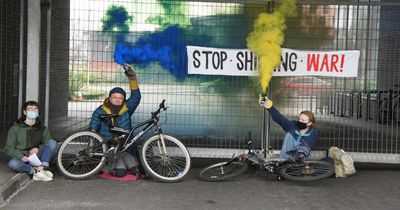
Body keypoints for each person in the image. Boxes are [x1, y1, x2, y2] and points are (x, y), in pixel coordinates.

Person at [89, 64, 141, 177]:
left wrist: (132, 78)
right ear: (109, 98)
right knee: (120, 172)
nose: (117, 100)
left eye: (120, 98)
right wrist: (98, 152)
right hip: (108, 148)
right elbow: (92, 132)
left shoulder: (126, 108)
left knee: (135, 170)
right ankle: (104, 166)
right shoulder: (100, 111)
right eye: (114, 97)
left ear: (123, 100)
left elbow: (136, 97)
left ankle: (121, 160)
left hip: (124, 147)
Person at [5, 101, 57, 181]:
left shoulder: (42, 128)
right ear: (25, 112)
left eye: (35, 109)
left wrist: (38, 148)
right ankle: (35, 172)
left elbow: (48, 144)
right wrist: (21, 156)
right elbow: (8, 148)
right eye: (30, 109)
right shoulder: (15, 129)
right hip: (23, 158)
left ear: (38, 112)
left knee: (52, 142)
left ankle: (41, 168)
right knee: (13, 164)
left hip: (37, 157)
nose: (33, 111)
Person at [259, 95, 318, 162]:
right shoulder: (292, 126)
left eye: (303, 120)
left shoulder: (312, 133)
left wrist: (301, 154)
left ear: (309, 123)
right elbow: (279, 118)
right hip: (284, 161)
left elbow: (306, 145)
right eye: (299, 119)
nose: (300, 121)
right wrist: (270, 107)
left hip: (302, 163)